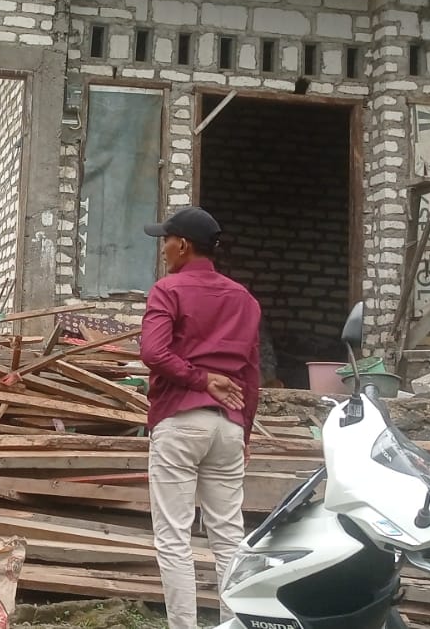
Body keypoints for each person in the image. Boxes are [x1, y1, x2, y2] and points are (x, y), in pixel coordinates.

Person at [140, 206, 262, 629]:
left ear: (184, 245)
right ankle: (234, 623)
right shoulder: (244, 299)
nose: (163, 250)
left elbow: (153, 353)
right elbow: (250, 374)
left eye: (166, 241)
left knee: (174, 537)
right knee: (229, 536)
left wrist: (198, 378)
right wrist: (243, 432)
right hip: (227, 427)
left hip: (180, 420)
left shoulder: (168, 290)